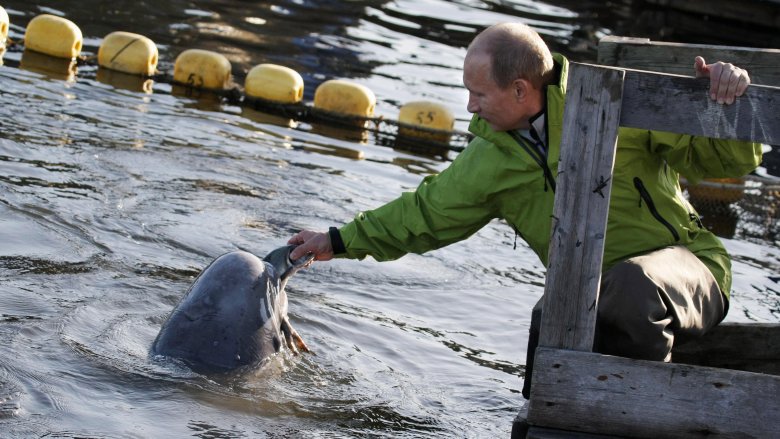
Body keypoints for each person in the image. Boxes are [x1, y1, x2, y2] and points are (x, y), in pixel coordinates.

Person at [288, 23, 762, 399]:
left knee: (629, 287)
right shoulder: (490, 155)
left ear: (520, 89)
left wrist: (726, 99)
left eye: (478, 94)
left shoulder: (618, 103)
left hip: (689, 269)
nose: (469, 106)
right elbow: (424, 214)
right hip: (591, 290)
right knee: (548, 314)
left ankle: (643, 411)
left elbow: (724, 161)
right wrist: (337, 240)